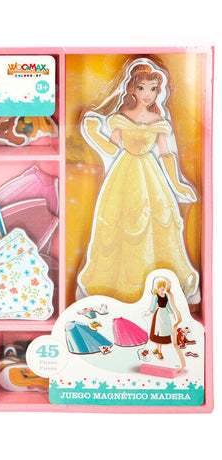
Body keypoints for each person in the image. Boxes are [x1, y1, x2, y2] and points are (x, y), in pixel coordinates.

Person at [77, 57, 199, 304]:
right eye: (142, 88)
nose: (147, 94)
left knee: (156, 222)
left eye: (153, 89)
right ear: (131, 89)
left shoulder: (158, 122)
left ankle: (163, 283)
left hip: (150, 174)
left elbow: (166, 154)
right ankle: (113, 286)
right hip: (124, 172)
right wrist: (92, 132)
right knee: (120, 222)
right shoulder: (121, 116)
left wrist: (177, 184)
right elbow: (111, 149)